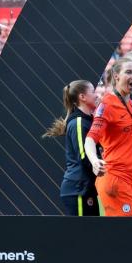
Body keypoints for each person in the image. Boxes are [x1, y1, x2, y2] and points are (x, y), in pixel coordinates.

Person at [85, 57, 132, 217]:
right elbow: (91, 138)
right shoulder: (107, 104)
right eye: (129, 72)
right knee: (125, 235)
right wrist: (94, 160)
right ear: (116, 76)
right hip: (116, 178)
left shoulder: (131, 104)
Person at [44, 80, 100, 216]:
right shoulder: (78, 122)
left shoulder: (89, 119)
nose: (97, 95)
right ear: (82, 97)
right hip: (78, 189)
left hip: (86, 189)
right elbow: (84, 156)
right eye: (93, 92)